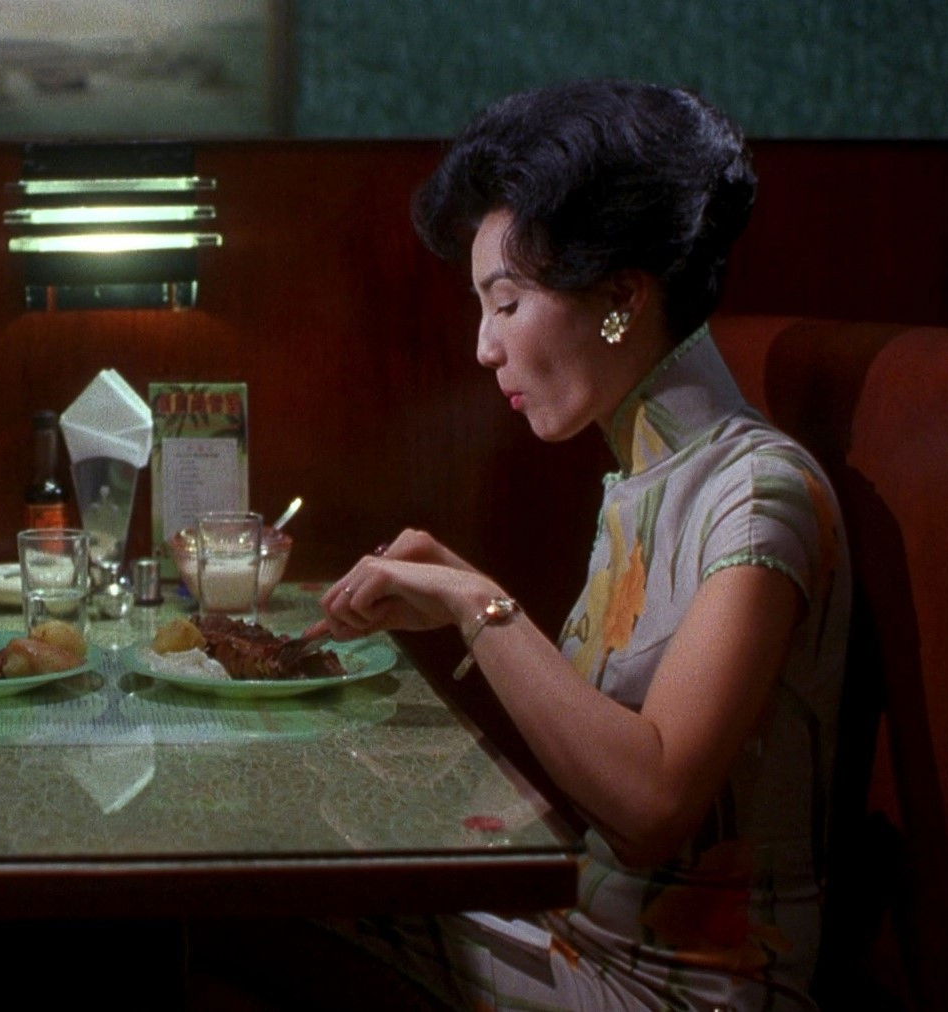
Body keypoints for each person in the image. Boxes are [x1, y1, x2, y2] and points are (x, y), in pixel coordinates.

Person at [309, 80, 850, 1009]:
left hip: (688, 990)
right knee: (292, 867)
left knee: (259, 907)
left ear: (619, 298)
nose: (483, 348)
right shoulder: (641, 479)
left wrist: (476, 605)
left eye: (505, 303)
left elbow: (650, 807)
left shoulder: (759, 493)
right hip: (579, 937)